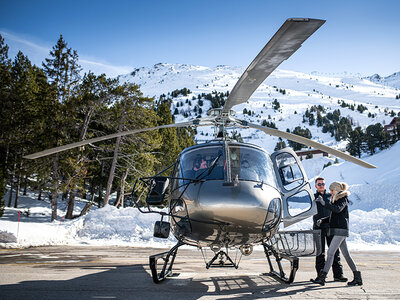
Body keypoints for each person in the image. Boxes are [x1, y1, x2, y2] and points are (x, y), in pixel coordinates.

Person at [311, 181, 363, 286]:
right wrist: (323, 220)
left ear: (336, 189)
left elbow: (338, 210)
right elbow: (333, 215)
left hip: (341, 230)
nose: (330, 192)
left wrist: (324, 204)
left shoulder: (343, 198)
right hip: (338, 230)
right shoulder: (336, 200)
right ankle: (357, 277)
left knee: (330, 253)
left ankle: (322, 277)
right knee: (346, 255)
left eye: (331, 190)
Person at [311, 177, 347, 282]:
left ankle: (338, 275)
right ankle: (321, 276)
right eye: (319, 184)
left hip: (330, 227)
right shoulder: (313, 198)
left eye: (323, 184)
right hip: (318, 228)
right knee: (320, 252)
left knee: (335, 251)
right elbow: (300, 199)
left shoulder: (331, 196)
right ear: (315, 186)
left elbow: (337, 208)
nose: (321, 186)